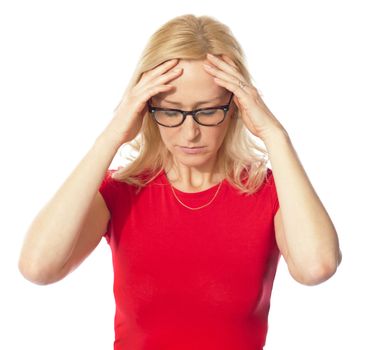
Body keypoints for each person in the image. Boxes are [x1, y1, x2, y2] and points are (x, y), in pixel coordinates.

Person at [18, 14, 342, 350]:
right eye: (171, 111)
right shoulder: (119, 191)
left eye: (207, 111)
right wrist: (111, 137)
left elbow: (316, 267)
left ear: (235, 108)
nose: (190, 133)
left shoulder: (269, 192)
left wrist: (274, 135)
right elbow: (38, 268)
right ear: (146, 108)